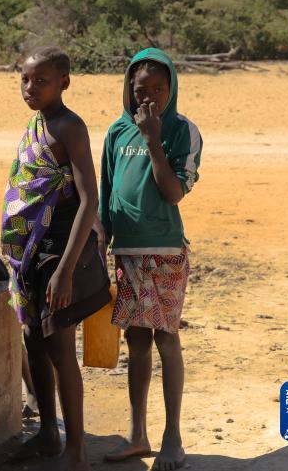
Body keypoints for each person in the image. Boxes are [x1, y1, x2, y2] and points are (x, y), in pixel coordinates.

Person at [1, 47, 111, 471]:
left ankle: (76, 449)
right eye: (25, 79)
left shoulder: (68, 126)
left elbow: (89, 200)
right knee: (34, 340)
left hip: (57, 251)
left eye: (41, 81)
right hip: (29, 254)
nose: (31, 88)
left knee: (61, 348)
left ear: (64, 82)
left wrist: (64, 271)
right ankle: (49, 432)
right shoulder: (37, 123)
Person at [100, 49, 201, 471]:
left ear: (172, 88)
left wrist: (153, 139)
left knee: (166, 338)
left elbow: (173, 193)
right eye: (142, 89)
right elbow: (106, 194)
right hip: (127, 251)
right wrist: (101, 244)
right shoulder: (116, 132)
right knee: (136, 341)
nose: (150, 98)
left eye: (159, 89)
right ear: (130, 88)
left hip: (164, 251)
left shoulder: (181, 131)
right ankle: (137, 434)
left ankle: (172, 438)